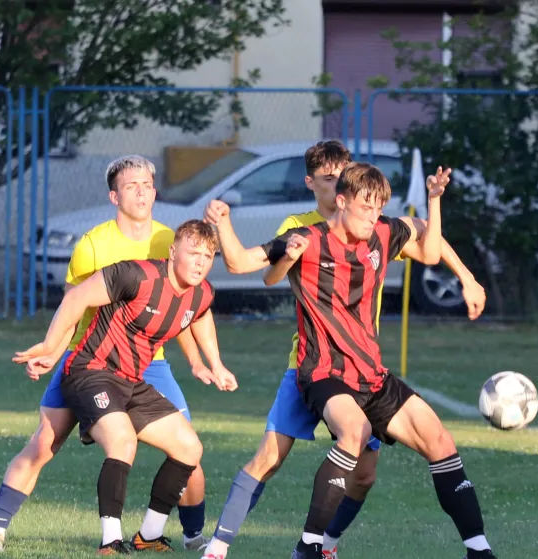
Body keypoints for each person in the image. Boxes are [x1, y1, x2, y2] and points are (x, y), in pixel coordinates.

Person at [200, 141, 487, 559]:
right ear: (340, 199)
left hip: (370, 373)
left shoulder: (384, 231)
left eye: (377, 208)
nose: (373, 216)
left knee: (438, 440)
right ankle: (297, 546)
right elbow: (242, 264)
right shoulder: (304, 235)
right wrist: (224, 222)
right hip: (321, 370)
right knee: (341, 436)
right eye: (365, 207)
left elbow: (428, 248)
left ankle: (479, 550)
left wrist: (435, 202)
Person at [0, 156, 216, 553]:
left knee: (189, 452)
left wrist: (196, 361)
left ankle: (191, 538)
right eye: (131, 185)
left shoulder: (169, 240)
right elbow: (75, 305)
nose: (141, 191)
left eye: (147, 184)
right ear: (114, 195)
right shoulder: (93, 244)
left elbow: (183, 309)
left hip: (148, 365)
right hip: (89, 359)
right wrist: (53, 351)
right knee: (42, 445)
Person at [13, 219, 238, 555]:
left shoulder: (202, 291)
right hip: (91, 371)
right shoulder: (137, 275)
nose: (200, 262)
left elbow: (201, 313)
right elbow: (77, 297)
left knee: (189, 448)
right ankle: (109, 540)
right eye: (193, 253)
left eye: (208, 256)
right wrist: (49, 346)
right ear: (173, 251)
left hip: (132, 381)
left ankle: (148, 535)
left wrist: (214, 363)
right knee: (121, 441)